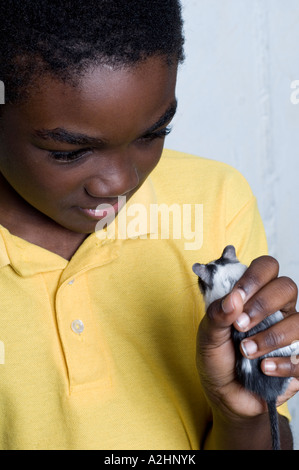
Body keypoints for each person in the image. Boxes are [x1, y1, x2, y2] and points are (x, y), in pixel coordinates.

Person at [0, 0, 298, 450]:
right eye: (68, 152)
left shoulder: (215, 198)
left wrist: (239, 412)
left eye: (154, 133)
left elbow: (269, 436)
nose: (121, 182)